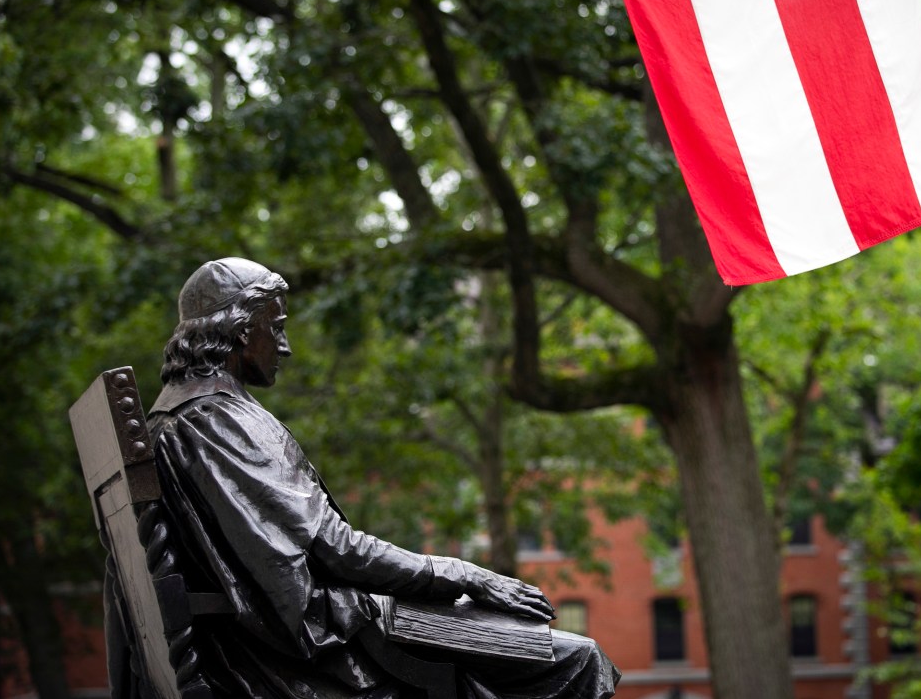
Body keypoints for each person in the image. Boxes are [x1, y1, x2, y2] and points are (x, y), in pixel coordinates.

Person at [144, 257, 619, 698]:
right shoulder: (223, 422)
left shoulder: (175, 419)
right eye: (278, 327)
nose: (284, 347)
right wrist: (462, 573)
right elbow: (336, 550)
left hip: (267, 642)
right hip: (326, 645)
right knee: (576, 661)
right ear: (243, 331)